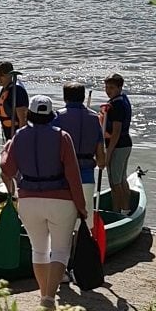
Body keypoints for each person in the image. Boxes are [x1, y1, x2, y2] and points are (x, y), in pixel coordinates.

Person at [0, 94, 87, 311]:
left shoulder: (18, 137)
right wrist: (81, 206)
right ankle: (48, 297)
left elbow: (7, 170)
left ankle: (43, 294)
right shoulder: (62, 137)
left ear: (29, 113)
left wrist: (5, 151)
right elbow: (73, 175)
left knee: (38, 250)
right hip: (61, 201)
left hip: (28, 200)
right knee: (60, 251)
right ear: (50, 115)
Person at [56, 83, 105, 221]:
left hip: (63, 178)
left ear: (65, 98)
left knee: (63, 222)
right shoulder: (95, 118)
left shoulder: (58, 117)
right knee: (86, 221)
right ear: (83, 97)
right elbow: (101, 158)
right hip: (87, 177)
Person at [102, 73, 133, 213]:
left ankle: (119, 210)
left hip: (118, 145)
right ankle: (125, 209)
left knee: (115, 182)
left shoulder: (117, 105)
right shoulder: (121, 99)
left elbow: (116, 132)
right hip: (125, 144)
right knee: (121, 178)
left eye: (112, 88)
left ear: (120, 88)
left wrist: (108, 153)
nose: (108, 90)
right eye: (107, 87)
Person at [0, 62, 29, 140]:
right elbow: (7, 109)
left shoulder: (17, 91)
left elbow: (23, 118)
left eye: (2, 76)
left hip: (17, 133)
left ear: (10, 74)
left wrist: (21, 139)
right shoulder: (6, 89)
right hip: (8, 133)